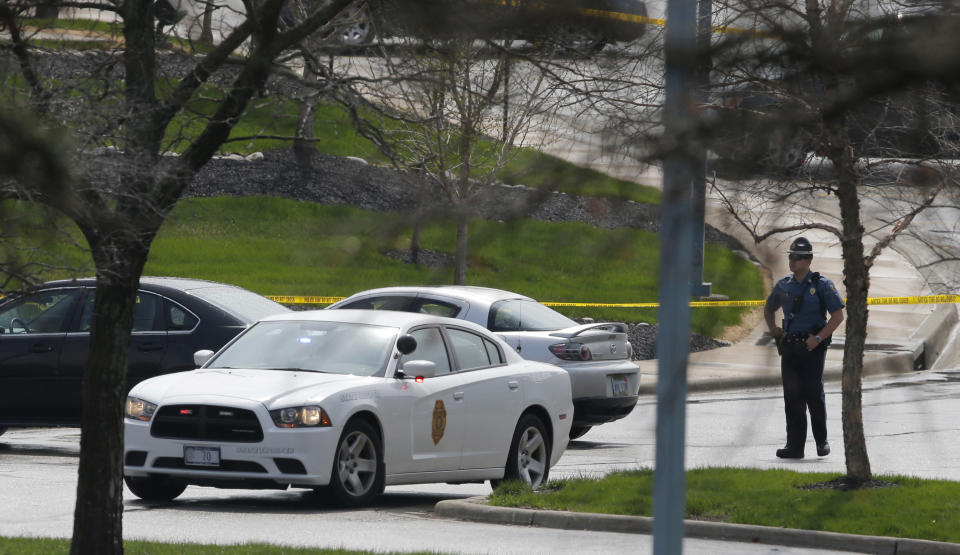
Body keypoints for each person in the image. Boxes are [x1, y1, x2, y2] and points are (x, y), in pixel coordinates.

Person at [764, 237, 845, 459]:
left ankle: (821, 441)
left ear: (809, 260)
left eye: (798, 257)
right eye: (791, 256)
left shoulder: (822, 285)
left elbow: (838, 316)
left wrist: (818, 338)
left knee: (813, 393)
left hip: (813, 348)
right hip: (790, 346)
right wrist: (773, 329)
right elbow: (769, 308)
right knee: (792, 396)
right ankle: (795, 446)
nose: (793, 261)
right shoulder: (784, 285)